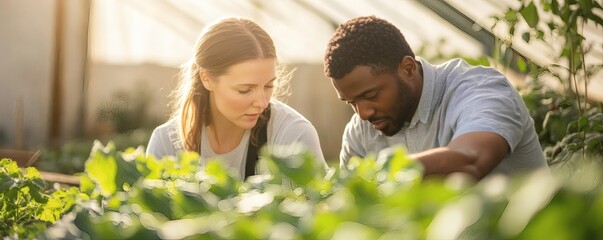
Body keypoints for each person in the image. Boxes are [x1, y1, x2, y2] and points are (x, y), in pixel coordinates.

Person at [323, 16, 548, 179]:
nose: (363, 113)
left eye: (370, 95)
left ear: (408, 68)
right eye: (351, 103)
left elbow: (471, 160)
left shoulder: (479, 90)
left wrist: (380, 174)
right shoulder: (361, 133)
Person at [147, 17, 326, 179]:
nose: (262, 103)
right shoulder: (167, 143)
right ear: (207, 78)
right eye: (245, 90)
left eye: (269, 86)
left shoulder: (293, 136)